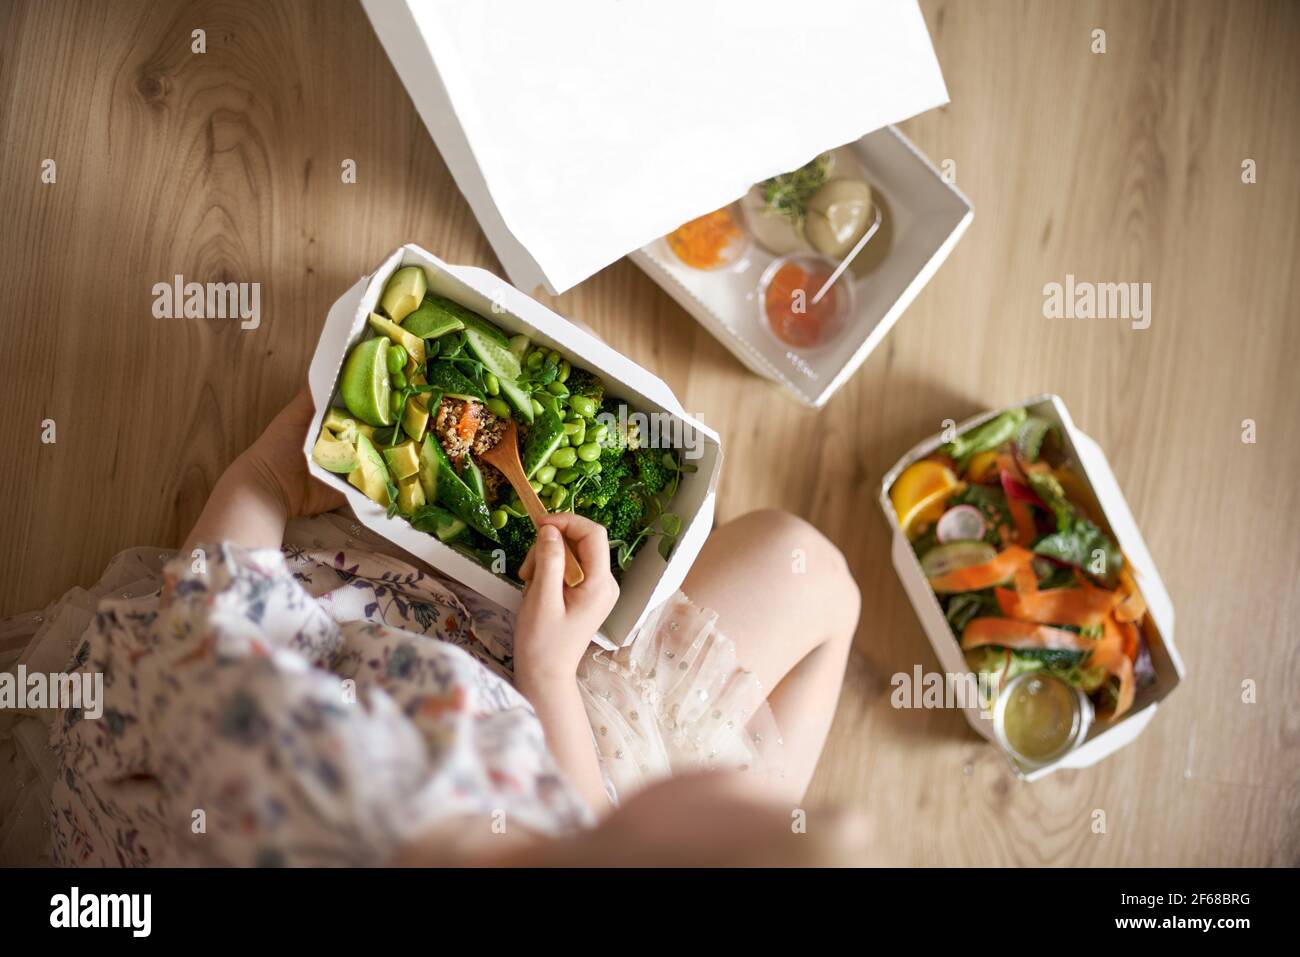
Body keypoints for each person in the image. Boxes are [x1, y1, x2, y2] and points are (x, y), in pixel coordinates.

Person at [6, 389, 861, 866]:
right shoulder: (562, 835)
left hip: (199, 722)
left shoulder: (337, 781)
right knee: (818, 577)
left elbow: (202, 623)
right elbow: (572, 817)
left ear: (662, 825)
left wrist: (266, 475)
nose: (757, 793)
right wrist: (551, 677)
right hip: (518, 737)